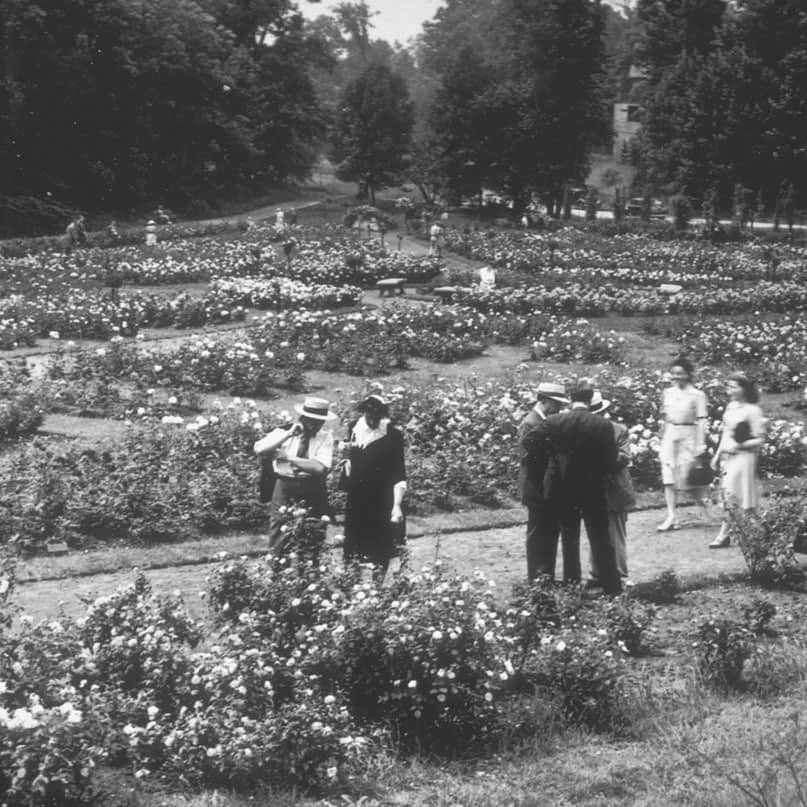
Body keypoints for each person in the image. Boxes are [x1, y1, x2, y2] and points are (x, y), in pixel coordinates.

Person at [545, 382, 622, 596]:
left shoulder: (555, 422)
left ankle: (571, 585)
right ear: (590, 401)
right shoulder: (602, 425)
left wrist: (554, 466)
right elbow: (609, 461)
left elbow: (535, 445)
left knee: (569, 538)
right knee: (600, 538)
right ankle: (611, 587)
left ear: (570, 399)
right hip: (593, 489)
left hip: (564, 489)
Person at [254, 397, 337, 553]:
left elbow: (319, 467)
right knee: (279, 530)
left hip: (312, 487)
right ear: (303, 418)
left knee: (313, 531)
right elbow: (260, 449)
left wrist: (287, 457)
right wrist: (288, 435)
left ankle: (308, 573)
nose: (316, 426)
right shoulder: (283, 431)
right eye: (313, 421)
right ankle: (277, 572)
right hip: (285, 485)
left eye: (320, 422)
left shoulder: (325, 437)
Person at [341, 393, 407, 582]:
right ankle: (351, 584)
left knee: (381, 543)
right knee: (353, 541)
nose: (372, 421)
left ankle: (377, 586)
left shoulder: (392, 434)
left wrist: (396, 505)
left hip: (382, 497)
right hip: (357, 497)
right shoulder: (354, 427)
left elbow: (398, 472)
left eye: (376, 417)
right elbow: (351, 459)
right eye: (369, 417)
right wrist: (345, 458)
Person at [518, 381, 574, 583]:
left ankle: (546, 575)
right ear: (542, 400)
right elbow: (530, 460)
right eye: (555, 403)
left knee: (550, 531)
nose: (558, 408)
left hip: (548, 487)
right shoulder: (530, 423)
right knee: (538, 533)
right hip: (537, 487)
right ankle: (536, 577)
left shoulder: (546, 422)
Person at [709, 373, 766, 548]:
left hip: (745, 457)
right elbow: (726, 433)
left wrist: (739, 447)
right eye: (729, 386)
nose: (730, 389)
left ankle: (726, 534)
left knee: (738, 494)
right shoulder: (731, 406)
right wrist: (717, 455)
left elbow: (759, 439)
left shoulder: (753, 410)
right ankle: (760, 531)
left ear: (744, 388)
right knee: (731, 494)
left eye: (734, 386)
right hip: (728, 456)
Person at [657, 357, 711, 531]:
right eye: (673, 374)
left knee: (690, 478)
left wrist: (700, 445)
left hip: (689, 435)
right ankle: (671, 516)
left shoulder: (697, 395)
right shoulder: (668, 393)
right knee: (669, 478)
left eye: (680, 373)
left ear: (688, 375)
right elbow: (664, 417)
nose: (676, 377)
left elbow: (702, 421)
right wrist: (662, 436)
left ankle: (707, 511)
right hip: (670, 436)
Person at [588, 390, 636, 585]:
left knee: (615, 532)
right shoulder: (582, 431)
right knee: (595, 530)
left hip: (614, 487)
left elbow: (624, 458)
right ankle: (596, 573)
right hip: (592, 488)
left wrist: (599, 460)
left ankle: (619, 574)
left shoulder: (618, 429)